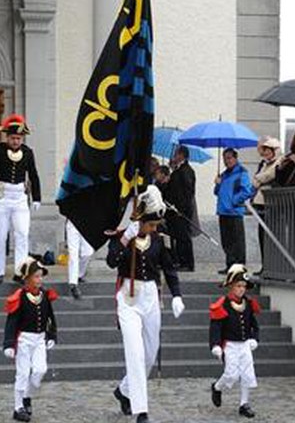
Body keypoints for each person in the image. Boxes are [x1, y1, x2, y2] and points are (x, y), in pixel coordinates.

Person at [106, 185, 185, 423]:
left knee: (150, 353)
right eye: (151, 225)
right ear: (140, 221)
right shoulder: (123, 235)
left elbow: (168, 268)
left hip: (150, 295)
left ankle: (124, 390)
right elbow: (112, 261)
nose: (154, 229)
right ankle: (141, 410)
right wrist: (126, 237)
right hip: (128, 297)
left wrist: (177, 295)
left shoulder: (158, 240)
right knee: (135, 353)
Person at [0, 114, 41, 284]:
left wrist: (37, 197)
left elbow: (34, 175)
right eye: (13, 138)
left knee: (22, 234)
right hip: (2, 195)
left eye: (19, 138)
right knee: (0, 235)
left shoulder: (28, 152)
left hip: (19, 197)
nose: (16, 141)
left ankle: (20, 271)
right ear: (6, 137)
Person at [3, 257, 58, 422]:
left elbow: (50, 318)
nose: (40, 279)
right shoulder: (20, 297)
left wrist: (51, 335)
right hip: (24, 340)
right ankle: (18, 406)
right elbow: (11, 323)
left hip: (40, 339)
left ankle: (27, 396)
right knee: (22, 373)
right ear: (27, 278)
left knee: (40, 370)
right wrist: (9, 344)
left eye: (41, 276)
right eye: (36, 276)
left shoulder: (44, 296)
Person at [209, 264, 260, 419]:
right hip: (229, 345)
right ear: (231, 286)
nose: (241, 289)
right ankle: (217, 387)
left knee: (247, 374)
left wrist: (254, 339)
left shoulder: (249, 304)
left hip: (244, 344)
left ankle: (244, 404)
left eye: (244, 286)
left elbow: (254, 325)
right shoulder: (223, 304)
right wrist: (216, 345)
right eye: (238, 286)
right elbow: (215, 327)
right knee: (231, 374)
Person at [214, 149, 253, 275]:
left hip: (234, 212)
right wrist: (217, 184)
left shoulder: (242, 172)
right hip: (223, 212)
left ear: (235, 158)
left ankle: (239, 267)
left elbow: (247, 191)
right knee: (227, 241)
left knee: (237, 242)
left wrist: (234, 201)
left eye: (229, 158)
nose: (227, 161)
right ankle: (230, 265)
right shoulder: (224, 174)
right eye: (225, 158)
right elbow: (217, 192)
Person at [252, 137, 282, 275]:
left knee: (270, 236)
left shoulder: (279, 162)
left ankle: (272, 266)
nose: (265, 153)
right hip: (260, 203)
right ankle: (264, 266)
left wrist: (260, 178)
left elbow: (269, 176)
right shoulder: (264, 163)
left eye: (268, 151)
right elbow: (256, 180)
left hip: (272, 204)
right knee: (262, 236)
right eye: (264, 151)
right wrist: (260, 178)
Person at [164, 146, 196, 271]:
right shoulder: (178, 170)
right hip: (174, 209)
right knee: (177, 236)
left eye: (176, 154)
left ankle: (187, 263)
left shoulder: (186, 170)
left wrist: (181, 209)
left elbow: (187, 192)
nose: (174, 157)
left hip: (181, 210)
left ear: (182, 155)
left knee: (183, 237)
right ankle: (179, 260)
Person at [66, 219, 94, 299]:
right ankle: (73, 283)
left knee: (88, 252)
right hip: (73, 223)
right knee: (73, 255)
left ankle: (79, 274)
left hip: (86, 224)